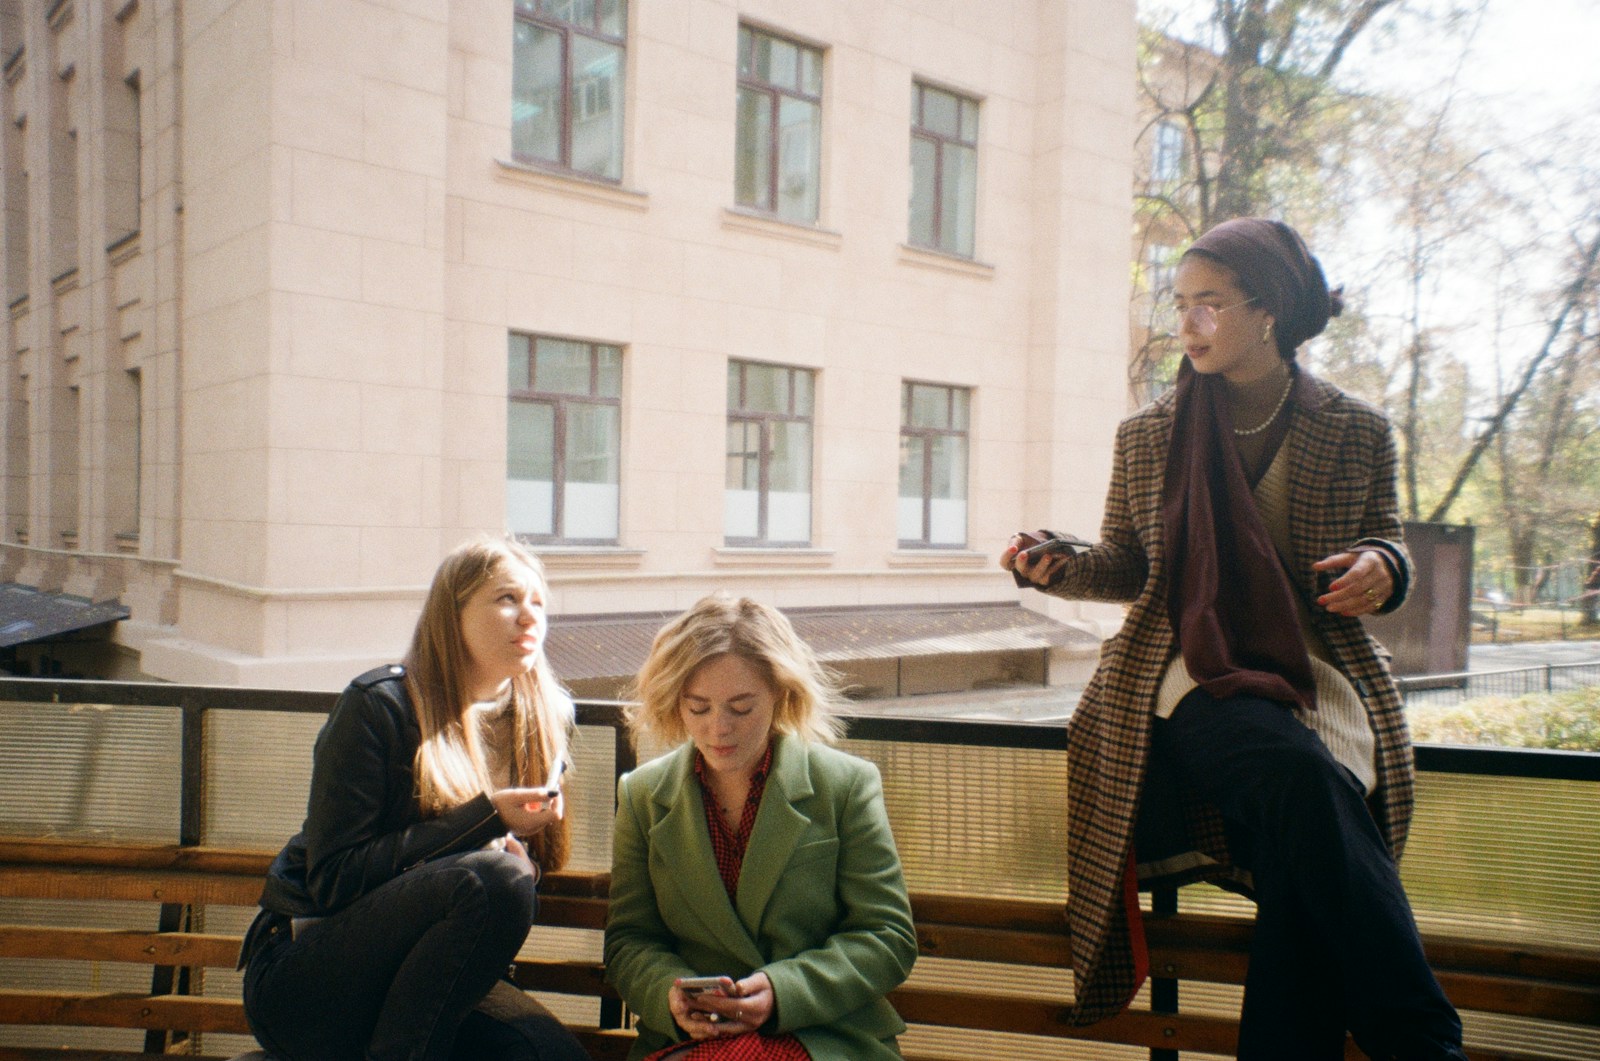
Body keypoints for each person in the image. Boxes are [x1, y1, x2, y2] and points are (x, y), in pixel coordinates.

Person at [1002, 218, 1468, 1060]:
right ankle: (1425, 1040)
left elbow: (1387, 545)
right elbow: (1129, 564)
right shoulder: (1147, 433)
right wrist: (1061, 567)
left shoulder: (1356, 428)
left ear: (1269, 311)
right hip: (1190, 664)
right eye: (1180, 305)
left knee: (1307, 869)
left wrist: (1382, 566)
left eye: (1208, 305)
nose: (1187, 325)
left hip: (1321, 670)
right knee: (1300, 776)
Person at [239, 536, 591, 1061]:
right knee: (490, 878)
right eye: (507, 599)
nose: (528, 617)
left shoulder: (542, 717)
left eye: (538, 603)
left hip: (427, 981)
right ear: (452, 614)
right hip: (306, 974)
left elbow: (527, 869)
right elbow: (334, 879)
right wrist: (487, 820)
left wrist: (522, 855)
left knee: (550, 1055)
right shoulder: (379, 706)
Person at [604, 595, 917, 1061]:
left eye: (741, 707)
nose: (718, 729)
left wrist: (781, 990)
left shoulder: (845, 785)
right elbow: (630, 941)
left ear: (779, 693)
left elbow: (888, 936)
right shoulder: (643, 795)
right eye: (698, 707)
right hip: (691, 1042)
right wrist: (670, 998)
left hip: (822, 1036)